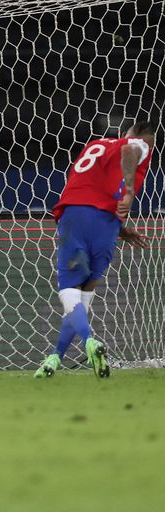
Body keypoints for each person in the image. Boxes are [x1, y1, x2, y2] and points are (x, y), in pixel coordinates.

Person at [35, 121, 155, 378]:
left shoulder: (94, 145)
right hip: (105, 224)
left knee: (69, 291)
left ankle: (88, 341)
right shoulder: (140, 144)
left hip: (77, 214)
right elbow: (130, 151)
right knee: (84, 294)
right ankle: (54, 359)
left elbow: (98, 181)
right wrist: (130, 193)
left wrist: (124, 227)